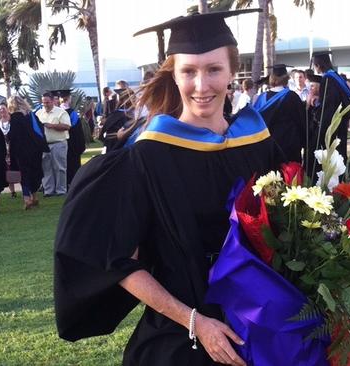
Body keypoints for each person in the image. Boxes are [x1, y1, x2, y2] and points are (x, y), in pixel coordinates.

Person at [54, 9, 283, 366]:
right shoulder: (149, 156)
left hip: (263, 327)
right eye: (188, 71)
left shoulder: (258, 142)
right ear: (174, 76)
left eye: (213, 70)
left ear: (231, 72)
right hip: (183, 338)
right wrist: (197, 322)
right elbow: (118, 261)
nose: (201, 85)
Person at [253, 64, 306, 163]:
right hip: (288, 149)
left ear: (271, 78)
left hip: (267, 148)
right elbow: (301, 123)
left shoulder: (261, 98)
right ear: (286, 79)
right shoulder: (292, 97)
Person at [311, 50, 350, 165]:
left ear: (318, 65)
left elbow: (328, 107)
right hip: (341, 123)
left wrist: (322, 127)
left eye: (315, 66)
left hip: (334, 126)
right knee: (340, 154)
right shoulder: (336, 76)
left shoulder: (328, 79)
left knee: (333, 156)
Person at [7, 95, 48, 210]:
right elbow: (41, 129)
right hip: (35, 149)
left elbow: (13, 135)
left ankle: (27, 198)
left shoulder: (15, 117)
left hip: (21, 150)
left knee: (24, 173)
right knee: (35, 171)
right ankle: (34, 197)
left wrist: (7, 137)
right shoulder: (32, 115)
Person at [36, 92, 71, 197]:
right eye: (43, 102)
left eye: (47, 102)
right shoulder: (39, 113)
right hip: (44, 144)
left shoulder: (61, 112)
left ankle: (61, 190)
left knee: (60, 167)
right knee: (46, 167)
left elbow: (67, 126)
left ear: (52, 101)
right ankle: (48, 190)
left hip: (58, 143)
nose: (45, 104)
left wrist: (52, 126)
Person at [55, 90, 86, 186]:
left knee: (60, 164)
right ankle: (73, 182)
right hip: (72, 143)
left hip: (59, 142)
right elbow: (77, 130)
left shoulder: (56, 112)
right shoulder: (72, 113)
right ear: (68, 99)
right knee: (73, 163)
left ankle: (62, 184)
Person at [0, 102, 17, 198]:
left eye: (3, 108)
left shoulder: (13, 120)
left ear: (7, 108)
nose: (2, 110)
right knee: (8, 170)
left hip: (14, 146)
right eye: (0, 109)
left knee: (17, 167)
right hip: (3, 147)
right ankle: (12, 191)